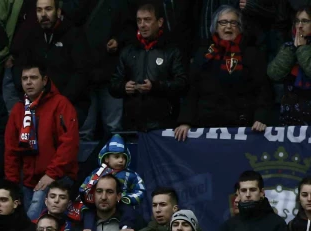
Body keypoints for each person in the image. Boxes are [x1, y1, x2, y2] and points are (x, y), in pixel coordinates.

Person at [173, 6, 273, 141]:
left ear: (240, 27)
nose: (228, 27)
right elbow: (192, 90)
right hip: (206, 125)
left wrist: (260, 118)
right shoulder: (204, 54)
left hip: (241, 125)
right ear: (215, 27)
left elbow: (263, 89)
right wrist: (185, 121)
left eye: (233, 23)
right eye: (223, 22)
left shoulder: (252, 53)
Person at [3, 63, 78, 221]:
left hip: (58, 177)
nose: (28, 82)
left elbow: (69, 144)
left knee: (33, 222)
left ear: (44, 80)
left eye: (33, 78)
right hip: (28, 180)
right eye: (25, 79)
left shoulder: (61, 104)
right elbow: (11, 150)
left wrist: (51, 174)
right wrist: (12, 184)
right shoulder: (18, 110)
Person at [110, 3, 187, 132]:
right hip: (132, 125)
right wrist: (124, 87)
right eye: (139, 20)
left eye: (147, 20)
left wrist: (156, 86)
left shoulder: (171, 50)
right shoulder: (128, 51)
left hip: (163, 125)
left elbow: (182, 84)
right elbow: (113, 84)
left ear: (160, 22)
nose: (142, 25)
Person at [268, 6, 311, 125]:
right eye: (297, 21)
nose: (300, 25)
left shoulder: (301, 48)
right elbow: (274, 74)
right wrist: (293, 49)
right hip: (290, 118)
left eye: (305, 21)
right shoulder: (289, 46)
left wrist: (302, 49)